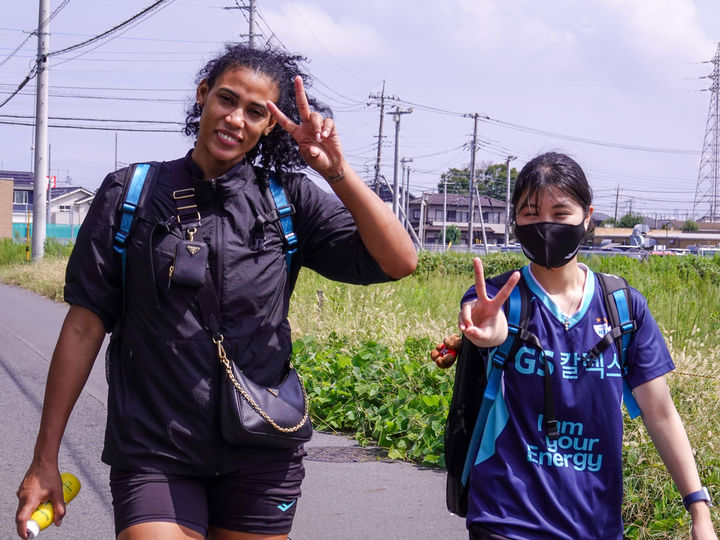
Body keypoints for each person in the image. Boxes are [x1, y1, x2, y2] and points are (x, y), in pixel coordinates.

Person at [15, 43, 417, 540]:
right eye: (227, 99)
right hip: (154, 446)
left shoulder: (286, 199)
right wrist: (44, 457)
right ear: (204, 96)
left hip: (262, 445)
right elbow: (82, 326)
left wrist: (334, 170)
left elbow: (400, 260)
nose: (236, 119)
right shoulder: (130, 195)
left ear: (270, 125)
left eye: (255, 112)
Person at [457, 152, 717, 540]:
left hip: (595, 524)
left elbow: (660, 413)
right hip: (507, 517)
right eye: (530, 213)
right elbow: (487, 325)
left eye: (560, 214)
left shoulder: (624, 309)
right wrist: (489, 331)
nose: (545, 224)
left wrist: (699, 509)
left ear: (587, 217)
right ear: (514, 219)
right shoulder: (499, 297)